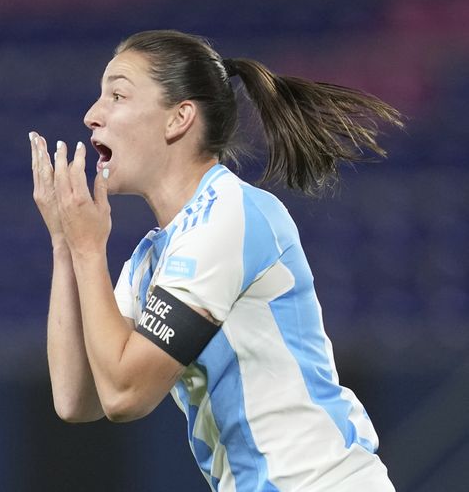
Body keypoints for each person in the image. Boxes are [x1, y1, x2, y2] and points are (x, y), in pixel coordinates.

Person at [29, 29, 402, 491]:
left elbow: (126, 394)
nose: (92, 115)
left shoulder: (229, 215)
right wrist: (65, 244)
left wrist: (88, 250)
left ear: (178, 118)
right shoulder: (152, 258)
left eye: (118, 95)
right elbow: (77, 398)